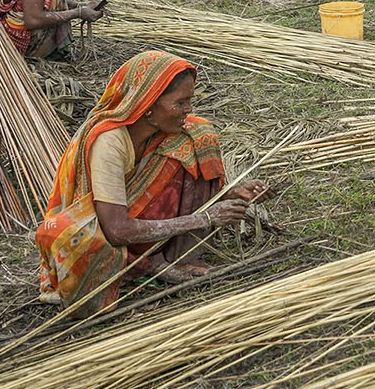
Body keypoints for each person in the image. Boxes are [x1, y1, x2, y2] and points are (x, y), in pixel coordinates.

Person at [35, 50, 269, 316]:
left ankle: (180, 256)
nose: (188, 109)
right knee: (82, 245)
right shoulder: (109, 142)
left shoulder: (164, 133)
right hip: (106, 235)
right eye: (180, 102)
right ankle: (152, 264)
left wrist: (228, 196)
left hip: (134, 221)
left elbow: (167, 189)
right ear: (147, 105)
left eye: (189, 100)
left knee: (199, 133)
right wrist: (205, 218)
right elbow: (116, 230)